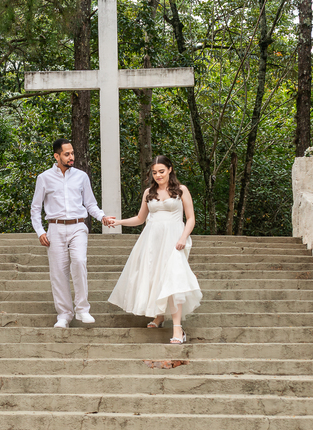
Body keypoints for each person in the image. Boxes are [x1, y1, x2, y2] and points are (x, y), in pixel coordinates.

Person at [104, 155, 202, 344]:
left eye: (161, 171)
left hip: (174, 240)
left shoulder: (181, 190)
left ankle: (177, 329)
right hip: (152, 240)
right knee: (154, 277)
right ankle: (159, 316)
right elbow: (140, 218)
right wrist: (119, 222)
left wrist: (183, 237)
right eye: (154, 172)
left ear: (170, 169)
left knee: (174, 280)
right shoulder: (149, 192)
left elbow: (190, 218)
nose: (158, 175)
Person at [30, 138, 115, 328]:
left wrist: (102, 217)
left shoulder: (81, 176)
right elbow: (35, 209)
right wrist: (40, 231)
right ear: (56, 156)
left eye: (72, 153)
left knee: (79, 261)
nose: (71, 157)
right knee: (58, 272)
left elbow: (90, 203)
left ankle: (83, 310)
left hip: (78, 226)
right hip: (55, 227)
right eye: (67, 154)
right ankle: (64, 315)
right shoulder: (44, 178)